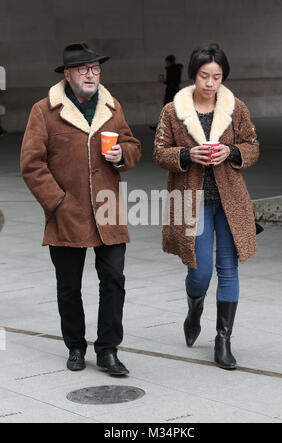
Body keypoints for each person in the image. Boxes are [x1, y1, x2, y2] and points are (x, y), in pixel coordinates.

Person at [20, 42, 141, 376]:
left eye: (96, 69)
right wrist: (56, 202)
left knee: (114, 279)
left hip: (108, 211)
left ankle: (108, 350)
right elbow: (31, 164)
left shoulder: (111, 107)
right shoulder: (43, 111)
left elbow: (131, 145)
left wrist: (123, 155)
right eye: (85, 69)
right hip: (66, 212)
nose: (92, 75)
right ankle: (75, 345)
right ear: (68, 74)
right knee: (69, 286)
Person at [153, 43, 259, 370]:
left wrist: (232, 152)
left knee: (229, 268)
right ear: (193, 76)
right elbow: (159, 152)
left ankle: (222, 340)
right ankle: (194, 306)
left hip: (230, 202)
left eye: (217, 76)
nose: (211, 83)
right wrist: (186, 155)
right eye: (204, 76)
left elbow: (252, 146)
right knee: (200, 272)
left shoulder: (235, 107)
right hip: (192, 202)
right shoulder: (174, 111)